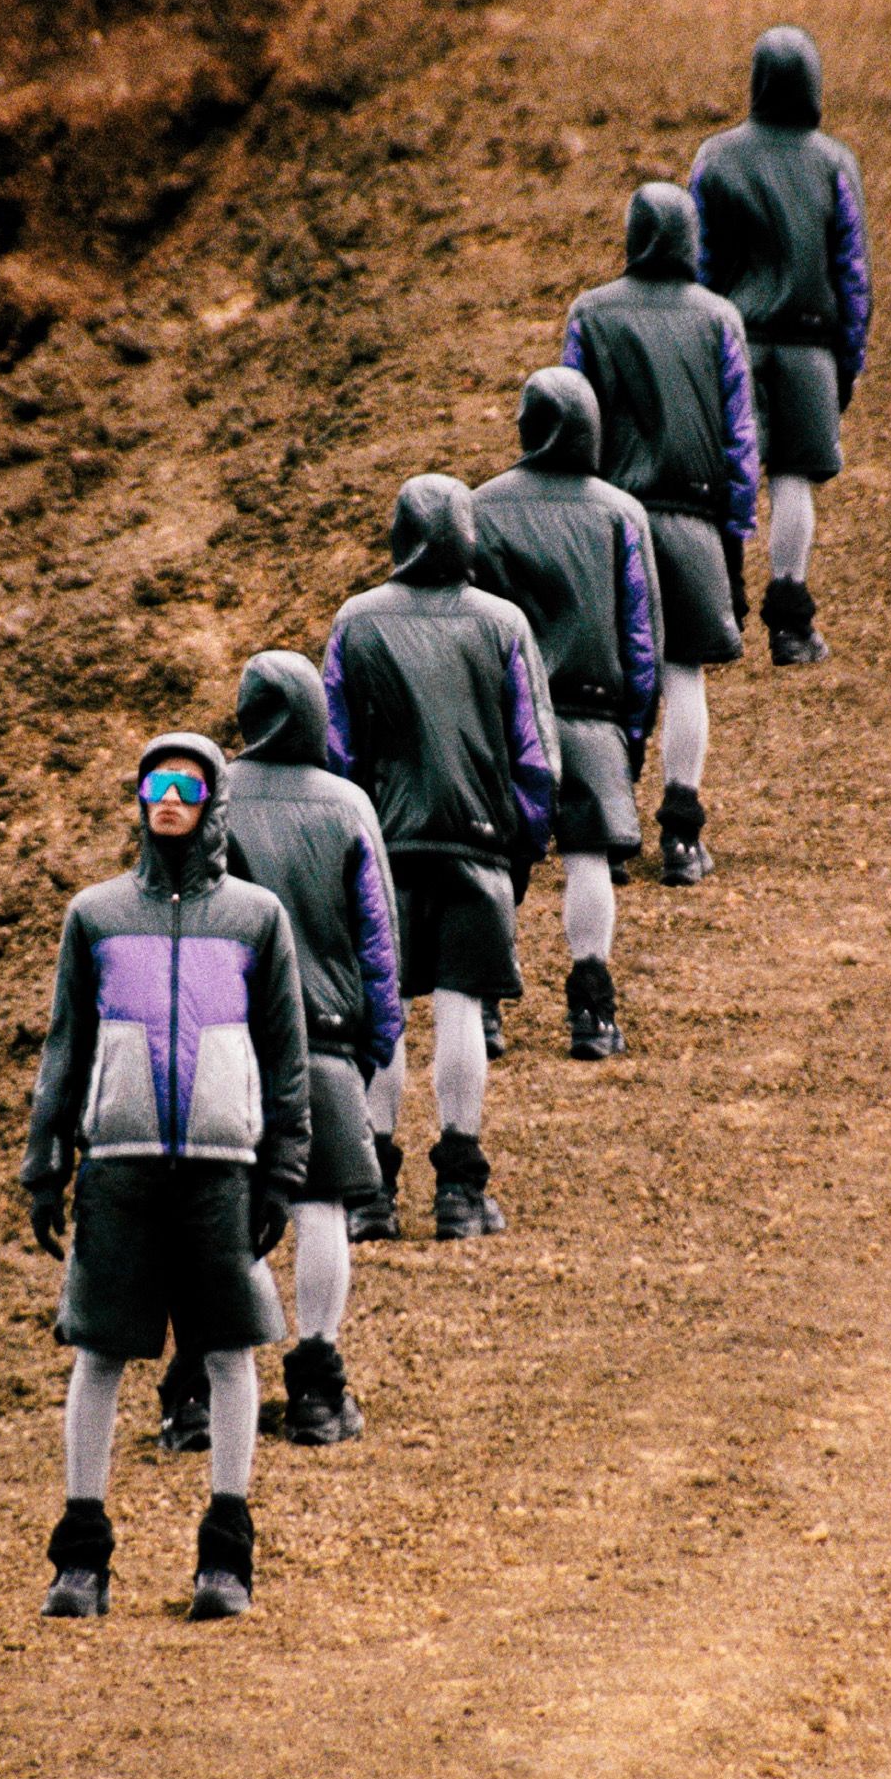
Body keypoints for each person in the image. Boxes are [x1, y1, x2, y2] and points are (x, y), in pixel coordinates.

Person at [20, 733, 310, 1623]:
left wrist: (282, 1169)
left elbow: (285, 1052)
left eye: (186, 784)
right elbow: (66, 1044)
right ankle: (80, 1561)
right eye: (155, 785)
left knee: (229, 1352)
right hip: (119, 1171)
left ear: (213, 799)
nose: (170, 798)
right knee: (98, 1353)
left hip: (223, 1173)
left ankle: (226, 1559)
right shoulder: (95, 915)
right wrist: (46, 1160)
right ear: (139, 800)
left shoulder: (258, 917)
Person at [158, 651, 404, 1451]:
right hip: (324, 1037)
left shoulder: (210, 799)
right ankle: (318, 1387)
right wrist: (377, 1042)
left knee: (216, 1212)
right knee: (322, 1206)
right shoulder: (348, 805)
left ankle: (196, 1389)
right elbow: (378, 941)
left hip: (221, 1042)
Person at [323, 473, 559, 1240]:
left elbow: (334, 748)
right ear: (467, 535)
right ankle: (459, 1188)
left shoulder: (356, 621)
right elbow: (536, 755)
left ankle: (372, 1193)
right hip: (476, 845)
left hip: (382, 847)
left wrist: (345, 848)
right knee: (461, 1007)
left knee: (383, 1013)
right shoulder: (503, 623)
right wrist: (518, 852)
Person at [564, 182, 760, 886]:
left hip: (609, 517)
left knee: (611, 676)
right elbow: (741, 437)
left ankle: (610, 832)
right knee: (684, 671)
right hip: (693, 521)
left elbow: (572, 416)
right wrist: (735, 537)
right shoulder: (719, 318)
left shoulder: (592, 313)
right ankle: (681, 830)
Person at [472, 366, 662, 1058]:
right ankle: (592, 1007)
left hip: (504, 717)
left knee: (494, 858)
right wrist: (632, 734)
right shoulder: (619, 513)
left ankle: (485, 1009)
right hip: (593, 713)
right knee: (589, 856)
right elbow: (642, 637)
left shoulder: (479, 508)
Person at [689, 24, 872, 665]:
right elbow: (852, 272)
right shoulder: (834, 163)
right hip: (809, 346)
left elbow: (699, 262)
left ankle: (725, 607)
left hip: (734, 341)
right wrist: (848, 361)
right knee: (794, 479)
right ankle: (790, 621)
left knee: (727, 475)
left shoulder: (716, 158)